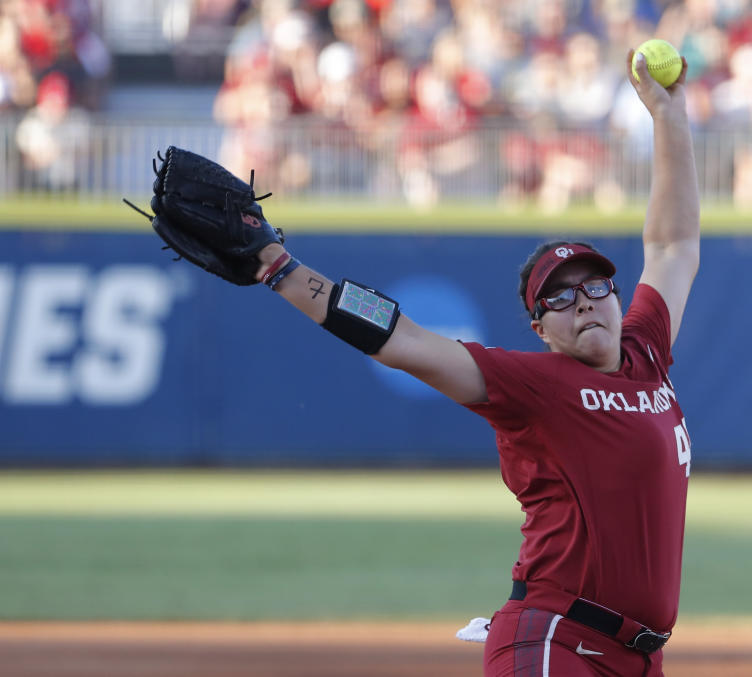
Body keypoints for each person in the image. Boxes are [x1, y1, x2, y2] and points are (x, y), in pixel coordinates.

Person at [255, 48, 698, 676]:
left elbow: (674, 244)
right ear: (541, 329)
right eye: (560, 298)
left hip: (637, 658)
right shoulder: (537, 385)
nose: (584, 303)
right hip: (556, 642)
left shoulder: (645, 350)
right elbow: (404, 339)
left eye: (596, 285)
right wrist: (280, 269)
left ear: (617, 296)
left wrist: (667, 116)